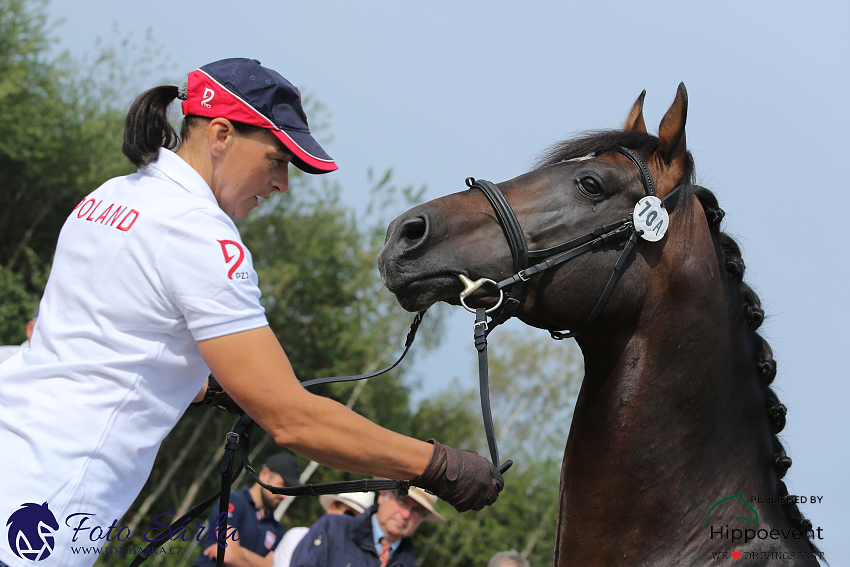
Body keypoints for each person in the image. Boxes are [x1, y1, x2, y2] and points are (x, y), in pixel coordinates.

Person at [0, 58, 502, 567]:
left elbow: (103, 347)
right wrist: (437, 465)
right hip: (47, 499)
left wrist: (216, 387)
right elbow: (293, 422)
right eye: (277, 159)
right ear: (220, 133)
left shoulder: (110, 197)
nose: (283, 183)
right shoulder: (202, 235)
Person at [289, 488, 443, 567]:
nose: (406, 514)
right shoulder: (333, 528)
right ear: (383, 495)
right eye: (402, 501)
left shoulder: (408, 563)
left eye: (417, 511)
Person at [195, 454, 303, 567]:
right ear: (264, 474)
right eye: (282, 485)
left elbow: (276, 565)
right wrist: (263, 563)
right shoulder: (232, 502)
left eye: (289, 489)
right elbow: (228, 556)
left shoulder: (277, 529)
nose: (285, 495)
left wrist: (240, 553)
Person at [273, 492, 375, 567]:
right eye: (349, 514)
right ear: (332, 507)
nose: (351, 523)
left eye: (359, 520)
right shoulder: (297, 536)